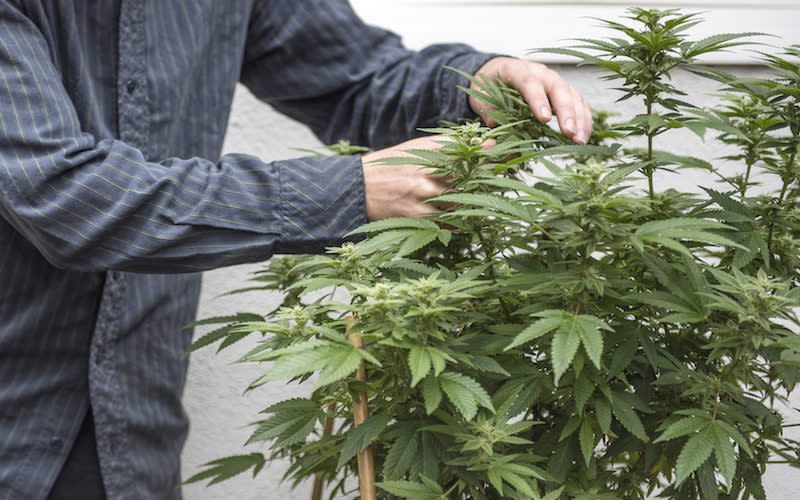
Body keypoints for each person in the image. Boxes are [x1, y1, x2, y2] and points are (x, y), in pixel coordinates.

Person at [0, 1, 592, 498]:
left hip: (132, 425)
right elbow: (64, 197)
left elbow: (354, 78)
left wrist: (472, 83)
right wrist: (351, 191)